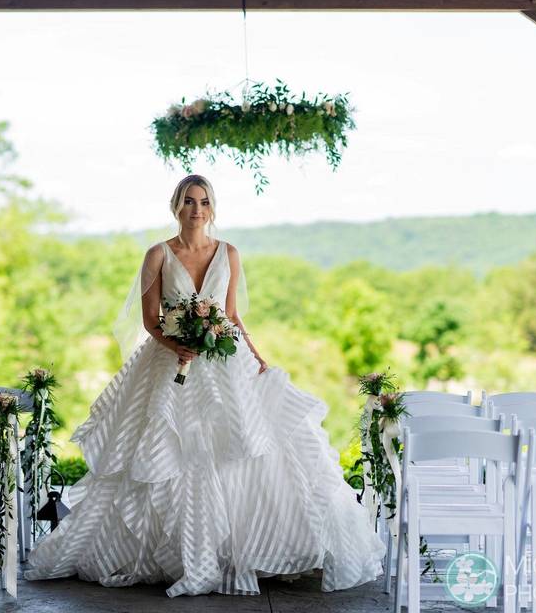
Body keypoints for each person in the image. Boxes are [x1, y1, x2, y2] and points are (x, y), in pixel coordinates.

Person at [24, 174, 385, 596]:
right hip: (169, 362)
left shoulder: (229, 253)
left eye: (204, 202)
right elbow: (149, 320)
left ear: (212, 208)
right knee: (167, 451)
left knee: (240, 446)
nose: (197, 210)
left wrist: (255, 353)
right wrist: (177, 344)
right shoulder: (157, 255)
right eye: (189, 202)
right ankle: (168, 552)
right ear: (176, 206)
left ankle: (239, 549)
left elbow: (230, 314)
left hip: (224, 360)